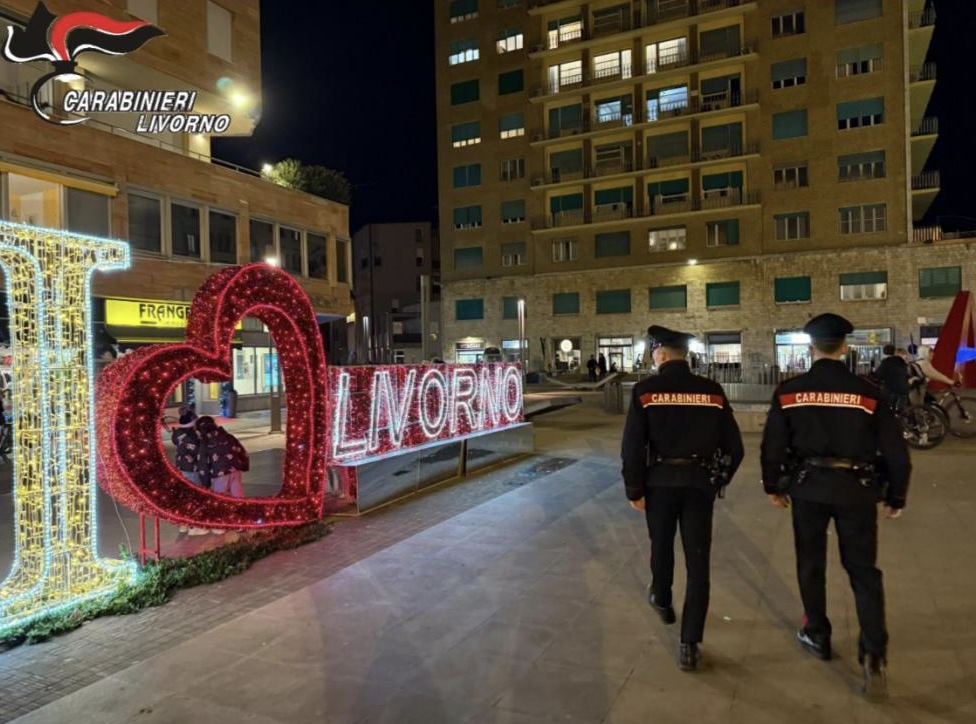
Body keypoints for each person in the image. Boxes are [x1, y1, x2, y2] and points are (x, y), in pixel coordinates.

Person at [760, 313, 911, 699]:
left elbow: (773, 445)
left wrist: (773, 485)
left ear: (811, 348)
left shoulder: (790, 391)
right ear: (845, 348)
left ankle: (818, 634)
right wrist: (896, 495)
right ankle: (874, 653)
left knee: (810, 564)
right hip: (857, 492)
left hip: (809, 489)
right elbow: (896, 451)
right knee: (863, 571)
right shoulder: (869, 392)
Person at [621, 325, 744, 672]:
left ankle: (662, 599)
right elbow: (735, 448)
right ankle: (690, 642)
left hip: (659, 484)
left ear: (659, 353)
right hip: (698, 485)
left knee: (660, 545)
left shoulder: (646, 391)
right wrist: (718, 479)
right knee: (698, 561)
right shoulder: (712, 391)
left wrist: (634, 488)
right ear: (685, 355)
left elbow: (632, 446)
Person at [195, 416, 250, 533]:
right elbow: (242, 451)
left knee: (220, 498)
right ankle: (242, 522)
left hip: (220, 474)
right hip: (235, 471)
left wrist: (205, 483)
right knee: (238, 496)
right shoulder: (228, 436)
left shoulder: (205, 444)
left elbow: (203, 465)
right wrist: (244, 465)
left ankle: (221, 526)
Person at [870, 344, 910, 410]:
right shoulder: (901, 361)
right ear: (894, 351)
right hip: (904, 389)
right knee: (901, 409)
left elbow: (879, 375)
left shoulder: (886, 361)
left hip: (891, 389)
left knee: (882, 401)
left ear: (884, 352)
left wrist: (874, 373)